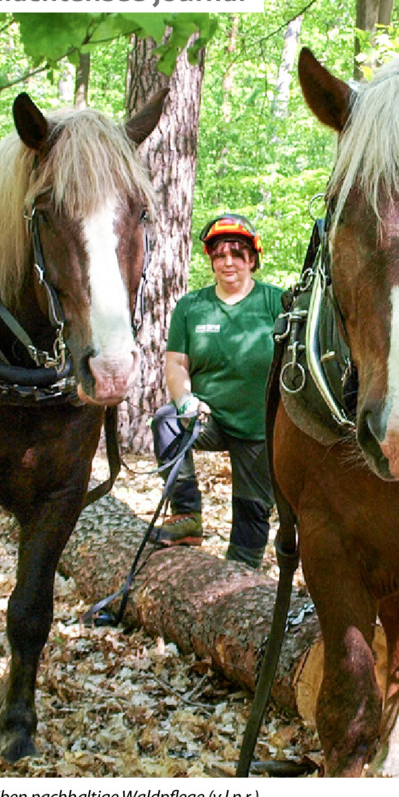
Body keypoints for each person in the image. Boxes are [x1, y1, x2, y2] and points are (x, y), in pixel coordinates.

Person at [151, 213, 285, 569]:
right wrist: (185, 400)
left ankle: (239, 580)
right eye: (220, 254)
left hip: (260, 427)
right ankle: (187, 516)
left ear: (252, 260)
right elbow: (177, 364)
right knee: (166, 422)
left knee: (252, 515)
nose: (228, 262)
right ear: (211, 259)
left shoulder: (277, 303)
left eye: (238, 254)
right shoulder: (191, 307)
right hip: (207, 417)